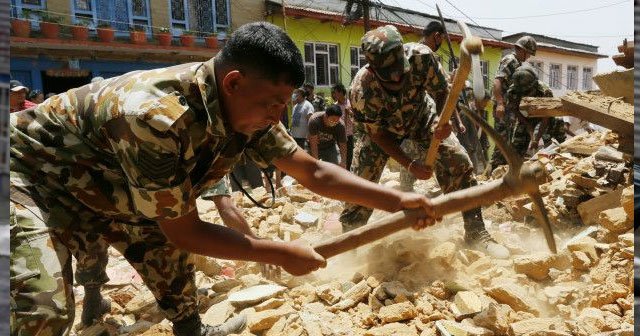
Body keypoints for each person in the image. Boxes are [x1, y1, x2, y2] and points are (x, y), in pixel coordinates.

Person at [10, 22, 437, 336]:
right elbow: (186, 232)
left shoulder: (250, 106)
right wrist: (279, 251)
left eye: (284, 104)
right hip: (26, 173)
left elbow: (313, 170)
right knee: (42, 310)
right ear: (233, 82)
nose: (277, 115)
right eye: (273, 103)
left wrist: (397, 202)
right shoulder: (153, 117)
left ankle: (190, 328)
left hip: (100, 178)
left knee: (155, 239)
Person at [339, 25, 508, 258]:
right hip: (381, 132)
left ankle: (476, 232)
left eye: (400, 70)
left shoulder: (421, 57)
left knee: (458, 161)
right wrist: (410, 165)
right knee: (361, 184)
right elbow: (378, 135)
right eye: (390, 75)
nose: (397, 77)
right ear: (373, 68)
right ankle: (349, 245)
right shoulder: (362, 90)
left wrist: (443, 119)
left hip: (421, 117)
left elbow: (441, 93)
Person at [490, 35, 537, 168]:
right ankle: (493, 173)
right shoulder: (510, 60)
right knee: (501, 144)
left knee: (507, 144)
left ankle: (500, 173)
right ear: (521, 49)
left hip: (508, 108)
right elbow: (497, 81)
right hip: (503, 107)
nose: (528, 57)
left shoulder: (516, 62)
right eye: (528, 54)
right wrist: (500, 104)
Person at [504, 64, 565, 155]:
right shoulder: (512, 91)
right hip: (525, 117)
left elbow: (546, 117)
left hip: (545, 117)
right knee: (517, 144)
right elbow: (515, 110)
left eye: (528, 91)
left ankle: (557, 154)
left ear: (534, 84)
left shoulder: (545, 91)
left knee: (556, 125)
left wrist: (536, 139)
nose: (526, 94)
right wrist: (529, 127)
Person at [331, 83, 354, 170]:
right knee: (341, 156)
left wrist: (350, 112)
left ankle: (348, 173)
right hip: (339, 135)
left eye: (335, 92)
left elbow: (356, 118)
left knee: (349, 156)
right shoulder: (335, 106)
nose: (334, 95)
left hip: (349, 134)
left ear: (341, 92)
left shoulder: (350, 103)